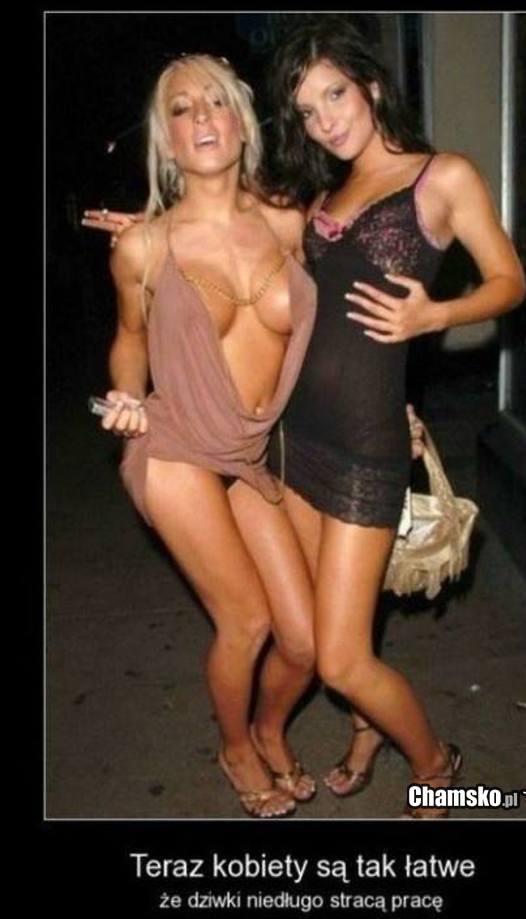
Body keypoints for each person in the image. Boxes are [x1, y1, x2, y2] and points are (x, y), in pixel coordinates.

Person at [259, 16, 526, 817]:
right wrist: (157, 229)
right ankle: (365, 731)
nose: (325, 120)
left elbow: (509, 280)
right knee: (333, 624)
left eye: (335, 94)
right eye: (307, 111)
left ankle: (438, 766)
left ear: (371, 86)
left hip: (364, 446)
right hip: (296, 438)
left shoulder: (441, 177)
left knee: (340, 657)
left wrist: (433, 315)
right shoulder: (323, 196)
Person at [89, 52, 323, 818]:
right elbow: (129, 339)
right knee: (247, 619)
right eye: (181, 109)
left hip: (248, 453)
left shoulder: (287, 222)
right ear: (167, 139)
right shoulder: (144, 248)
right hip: (175, 447)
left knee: (304, 642)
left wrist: (394, 405)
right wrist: (128, 393)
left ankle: (268, 725)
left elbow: (344, 320)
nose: (201, 118)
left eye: (214, 101)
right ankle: (235, 747)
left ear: (241, 121)